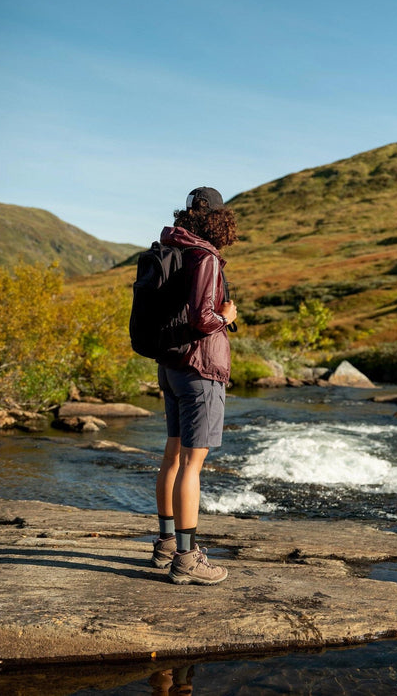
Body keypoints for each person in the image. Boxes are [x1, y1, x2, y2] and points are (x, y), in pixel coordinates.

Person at [151, 187, 238, 585]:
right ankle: (187, 559)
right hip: (199, 368)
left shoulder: (176, 249)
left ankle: (166, 544)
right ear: (217, 218)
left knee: (172, 456)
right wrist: (227, 316)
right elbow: (204, 319)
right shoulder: (204, 256)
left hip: (170, 364)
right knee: (191, 464)